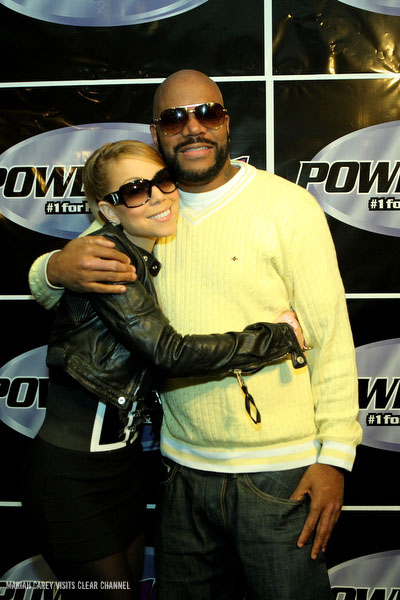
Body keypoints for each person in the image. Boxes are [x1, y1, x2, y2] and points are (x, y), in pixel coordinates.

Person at [28, 70, 362, 600]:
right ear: (156, 133)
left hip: (280, 475)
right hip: (181, 472)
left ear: (226, 123)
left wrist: (335, 458)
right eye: (174, 118)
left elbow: (331, 337)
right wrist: (52, 267)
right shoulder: (144, 207)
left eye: (207, 113)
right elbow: (62, 283)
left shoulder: (286, 206)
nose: (193, 128)